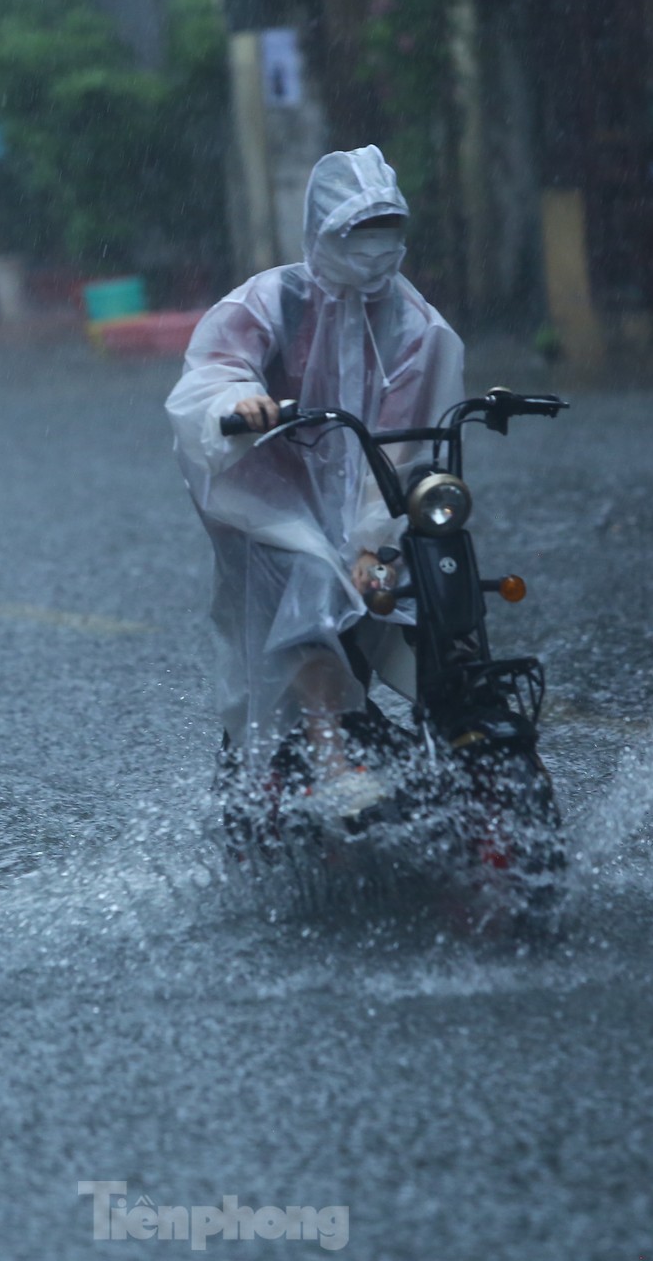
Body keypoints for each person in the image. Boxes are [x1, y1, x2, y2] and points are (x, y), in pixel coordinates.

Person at [166, 146, 466, 817]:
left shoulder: (417, 326)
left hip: (371, 499)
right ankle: (331, 758)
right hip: (270, 491)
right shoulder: (276, 299)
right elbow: (214, 370)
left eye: (388, 228)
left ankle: (462, 734)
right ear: (324, 232)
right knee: (310, 576)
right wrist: (240, 405)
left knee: (441, 579)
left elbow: (407, 439)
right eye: (360, 230)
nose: (376, 246)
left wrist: (371, 539)